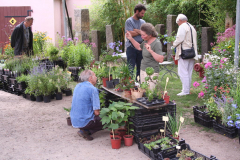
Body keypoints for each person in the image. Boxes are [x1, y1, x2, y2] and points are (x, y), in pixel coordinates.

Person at [126, 23, 164, 90]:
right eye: (141, 34)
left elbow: (160, 59)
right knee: (143, 92)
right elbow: (139, 47)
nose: (142, 37)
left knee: (150, 93)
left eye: (144, 35)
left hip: (152, 72)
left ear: (150, 35)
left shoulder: (157, 43)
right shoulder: (146, 41)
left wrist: (151, 51)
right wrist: (131, 38)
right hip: (143, 70)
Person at [70, 70, 103, 141]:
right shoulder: (93, 89)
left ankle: (83, 130)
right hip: (85, 122)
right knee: (107, 119)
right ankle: (87, 131)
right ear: (90, 78)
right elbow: (97, 113)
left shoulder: (77, 86)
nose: (96, 77)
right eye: (95, 75)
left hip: (74, 120)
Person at [172, 14, 198, 96]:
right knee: (189, 71)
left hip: (184, 52)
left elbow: (180, 38)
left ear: (180, 20)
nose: (178, 24)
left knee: (182, 72)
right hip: (192, 51)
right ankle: (187, 89)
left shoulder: (182, 26)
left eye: (177, 23)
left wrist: (174, 44)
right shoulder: (191, 27)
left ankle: (185, 91)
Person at [125, 4, 146, 81]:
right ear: (137, 11)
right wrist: (140, 32)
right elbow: (129, 34)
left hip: (141, 47)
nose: (143, 15)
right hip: (131, 47)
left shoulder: (143, 22)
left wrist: (136, 30)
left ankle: (139, 83)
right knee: (130, 67)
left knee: (140, 67)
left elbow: (145, 34)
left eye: (143, 13)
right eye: (142, 13)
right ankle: (129, 84)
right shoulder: (129, 21)